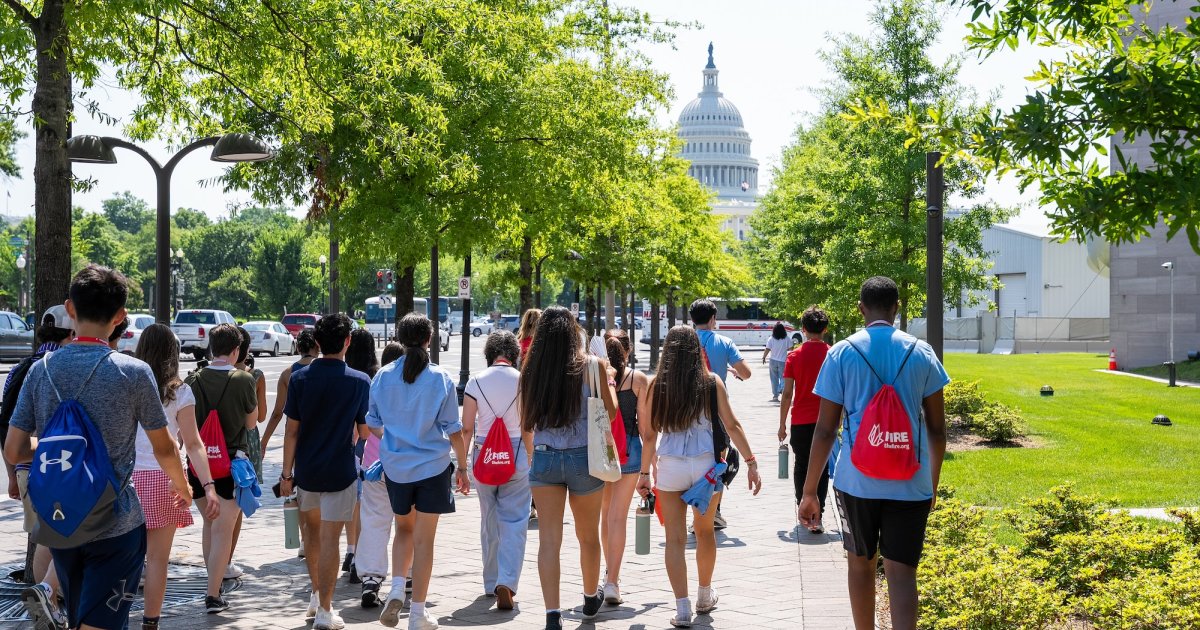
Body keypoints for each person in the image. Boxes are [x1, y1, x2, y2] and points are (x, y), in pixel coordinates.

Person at [4, 265, 190, 630]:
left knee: (77, 618)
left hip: (61, 520)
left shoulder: (40, 370)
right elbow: (165, 446)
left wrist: (62, 451)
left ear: (70, 308)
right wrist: (181, 485)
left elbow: (13, 449)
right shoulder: (134, 371)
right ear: (120, 317)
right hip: (117, 519)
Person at [799, 276, 949, 630]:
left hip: (856, 482)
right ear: (897, 308)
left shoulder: (841, 353)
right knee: (901, 573)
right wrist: (932, 481)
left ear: (860, 308)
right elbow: (938, 429)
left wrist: (809, 492)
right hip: (911, 482)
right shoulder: (922, 352)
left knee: (859, 564)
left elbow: (824, 430)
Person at [636, 325, 762, 628]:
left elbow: (650, 436)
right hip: (706, 467)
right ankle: (705, 595)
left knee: (675, 539)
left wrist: (643, 473)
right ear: (697, 351)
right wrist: (751, 461)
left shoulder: (656, 386)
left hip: (670, 466)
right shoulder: (711, 382)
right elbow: (732, 425)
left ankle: (682, 608)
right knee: (705, 532)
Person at [367, 313, 470, 630]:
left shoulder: (383, 376)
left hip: (396, 468)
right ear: (430, 339)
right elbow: (454, 431)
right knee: (425, 541)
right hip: (432, 467)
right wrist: (463, 467)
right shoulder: (440, 378)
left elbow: (372, 423)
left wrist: (393, 441)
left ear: (399, 338)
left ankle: (397, 587)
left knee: (403, 531)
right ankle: (417, 614)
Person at [520, 305, 619, 630]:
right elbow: (612, 414)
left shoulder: (531, 369)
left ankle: (552, 614)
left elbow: (526, 421)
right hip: (584, 458)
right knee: (588, 536)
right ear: (572, 332)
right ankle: (590, 598)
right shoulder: (591, 366)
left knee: (549, 540)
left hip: (546, 458)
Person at [280, 314, 372, 630]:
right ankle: (324, 610)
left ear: (317, 343)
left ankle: (317, 595)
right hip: (341, 469)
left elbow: (291, 431)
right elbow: (364, 429)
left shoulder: (300, 379)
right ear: (347, 342)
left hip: (306, 470)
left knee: (312, 536)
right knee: (332, 537)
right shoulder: (360, 381)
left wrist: (285, 474)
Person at [133, 323, 222, 630]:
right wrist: (208, 486)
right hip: (166, 478)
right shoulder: (180, 392)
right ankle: (150, 622)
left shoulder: (128, 384)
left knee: (119, 556)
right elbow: (194, 444)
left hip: (126, 479)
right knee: (158, 558)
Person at [2, 306, 72, 628]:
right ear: (71, 334)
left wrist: (12, 473)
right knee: (67, 534)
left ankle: (47, 603)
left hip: (26, 465)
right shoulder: (63, 369)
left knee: (44, 534)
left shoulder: (20, 370)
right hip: (62, 466)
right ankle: (51, 595)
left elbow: (5, 429)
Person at [184, 323, 258, 613]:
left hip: (198, 466)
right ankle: (213, 594)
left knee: (210, 524)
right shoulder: (243, 379)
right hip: (232, 465)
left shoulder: (193, 380)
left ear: (211, 347)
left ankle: (211, 582)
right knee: (223, 530)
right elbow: (251, 424)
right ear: (236, 349)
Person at [462, 330, 531, 611]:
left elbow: (466, 427)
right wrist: (531, 456)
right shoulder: (524, 381)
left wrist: (461, 466)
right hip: (516, 453)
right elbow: (528, 425)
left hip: (485, 454)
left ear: (489, 353)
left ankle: (491, 582)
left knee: (488, 519)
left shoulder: (475, 381)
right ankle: (507, 580)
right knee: (515, 520)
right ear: (514, 354)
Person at [689, 299, 750, 530]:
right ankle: (712, 510)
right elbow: (747, 373)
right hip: (717, 411)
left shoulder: (684, 341)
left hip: (688, 411)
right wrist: (731, 369)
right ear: (713, 318)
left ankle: (697, 511)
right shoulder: (725, 342)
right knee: (719, 460)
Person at [599, 327, 649, 606]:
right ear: (627, 351)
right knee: (618, 517)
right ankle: (612, 581)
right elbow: (646, 429)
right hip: (629, 452)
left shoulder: (594, 377)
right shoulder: (638, 380)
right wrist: (649, 467)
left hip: (600, 453)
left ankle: (607, 572)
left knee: (605, 516)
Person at [348, 329, 393, 608]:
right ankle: (407, 577)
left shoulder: (365, 380)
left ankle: (365, 570)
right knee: (407, 522)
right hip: (404, 459)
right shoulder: (375, 378)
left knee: (370, 516)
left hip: (369, 456)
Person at [778, 307, 832, 533]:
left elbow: (788, 394)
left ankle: (804, 510)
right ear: (825, 329)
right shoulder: (833, 353)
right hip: (826, 421)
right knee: (822, 467)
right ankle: (818, 515)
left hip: (800, 420)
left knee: (802, 465)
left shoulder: (794, 356)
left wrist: (782, 424)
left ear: (803, 329)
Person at [225, 326, 267, 580]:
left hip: (221, 439)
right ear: (246, 350)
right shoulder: (255, 377)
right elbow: (260, 416)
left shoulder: (211, 374)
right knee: (238, 501)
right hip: (246, 441)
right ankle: (227, 559)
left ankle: (219, 559)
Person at [761, 322, 791, 402]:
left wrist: (764, 357)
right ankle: (781, 389)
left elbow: (767, 349)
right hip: (783, 361)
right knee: (783, 378)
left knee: (774, 379)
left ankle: (775, 396)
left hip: (773, 361)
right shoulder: (787, 339)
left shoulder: (771, 339)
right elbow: (791, 350)